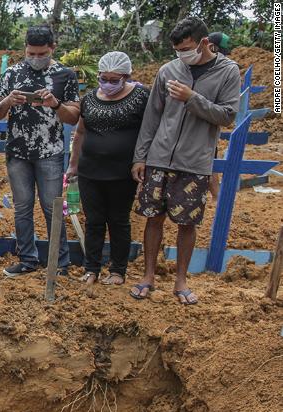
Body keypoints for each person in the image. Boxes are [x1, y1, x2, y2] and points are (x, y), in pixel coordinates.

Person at [131, 17, 240, 305]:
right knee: (153, 219)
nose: (182, 55)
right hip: (159, 158)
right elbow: (152, 117)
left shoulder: (228, 72)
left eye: (187, 49)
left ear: (205, 43)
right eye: (178, 50)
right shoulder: (168, 70)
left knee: (187, 224)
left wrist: (192, 98)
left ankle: (181, 281)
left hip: (193, 162)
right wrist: (140, 157)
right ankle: (148, 276)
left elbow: (228, 116)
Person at [0, 24, 80, 278]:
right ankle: (27, 259)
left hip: (50, 152)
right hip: (17, 152)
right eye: (30, 53)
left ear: (52, 49)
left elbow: (74, 116)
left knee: (52, 207)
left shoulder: (65, 75)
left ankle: (59, 261)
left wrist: (54, 104)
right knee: (22, 207)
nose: (35, 58)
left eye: (41, 53)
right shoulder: (12, 74)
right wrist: (9, 101)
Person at [68, 51, 149, 289]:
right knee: (93, 221)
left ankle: (117, 269)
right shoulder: (90, 98)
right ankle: (91, 268)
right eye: (104, 78)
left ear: (127, 77)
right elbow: (81, 132)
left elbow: (149, 131)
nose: (109, 84)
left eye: (115, 80)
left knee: (118, 220)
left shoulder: (141, 97)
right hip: (90, 170)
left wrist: (142, 160)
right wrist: (74, 163)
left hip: (123, 173)